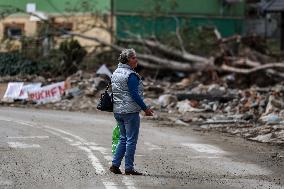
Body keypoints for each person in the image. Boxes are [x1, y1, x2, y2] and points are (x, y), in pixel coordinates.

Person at [109, 48, 154, 175]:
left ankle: (115, 165)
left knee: (123, 139)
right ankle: (129, 168)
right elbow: (134, 94)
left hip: (118, 111)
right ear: (128, 60)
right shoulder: (131, 75)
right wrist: (145, 108)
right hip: (130, 112)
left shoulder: (116, 72)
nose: (136, 60)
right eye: (134, 58)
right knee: (131, 140)